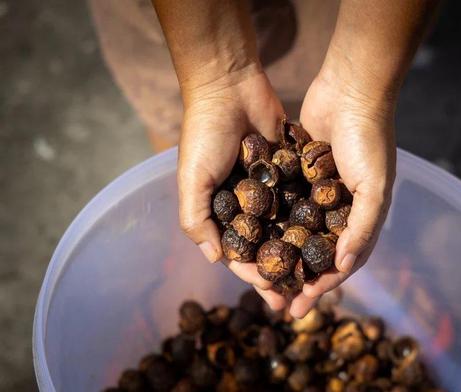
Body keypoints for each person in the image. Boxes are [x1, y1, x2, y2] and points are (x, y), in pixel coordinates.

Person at [90, 0, 439, 317]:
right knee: (174, 100)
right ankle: (185, 253)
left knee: (317, 31)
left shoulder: (288, 197)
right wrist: (214, 81)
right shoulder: (264, 195)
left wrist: (360, 89)